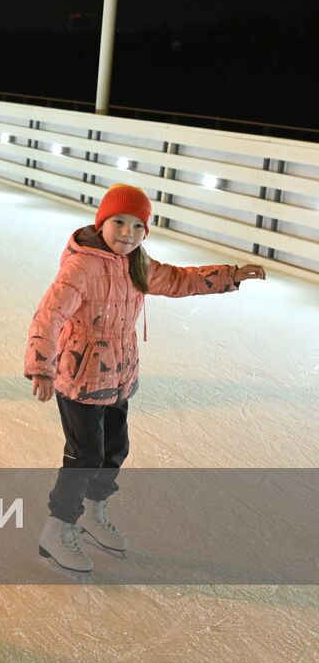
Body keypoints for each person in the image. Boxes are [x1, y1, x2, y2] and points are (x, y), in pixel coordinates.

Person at [26, 184, 266, 573]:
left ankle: (92, 512)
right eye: (119, 222)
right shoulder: (82, 266)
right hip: (79, 380)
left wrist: (230, 275)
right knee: (84, 457)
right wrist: (41, 366)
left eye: (138, 227)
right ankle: (57, 529)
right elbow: (49, 315)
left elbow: (179, 280)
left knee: (115, 450)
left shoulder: (137, 264)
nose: (127, 233)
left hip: (118, 377)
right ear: (102, 222)